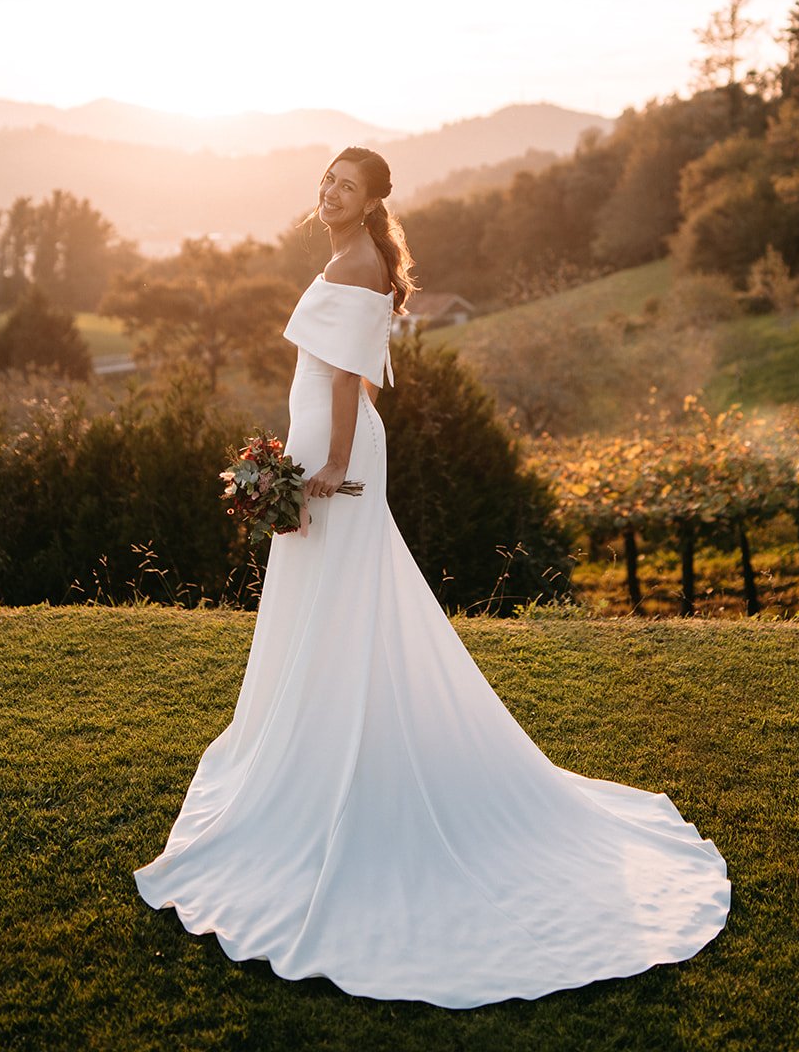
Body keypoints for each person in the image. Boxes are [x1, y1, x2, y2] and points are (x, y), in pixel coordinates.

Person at [133, 147, 730, 1009]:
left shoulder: (357, 260)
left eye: (347, 184)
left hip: (334, 453)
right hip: (317, 443)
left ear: (374, 198)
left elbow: (342, 379)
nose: (330, 192)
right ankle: (323, 729)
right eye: (326, 180)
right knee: (331, 604)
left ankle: (338, 754)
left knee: (340, 598)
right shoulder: (353, 257)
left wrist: (328, 470)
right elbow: (334, 372)